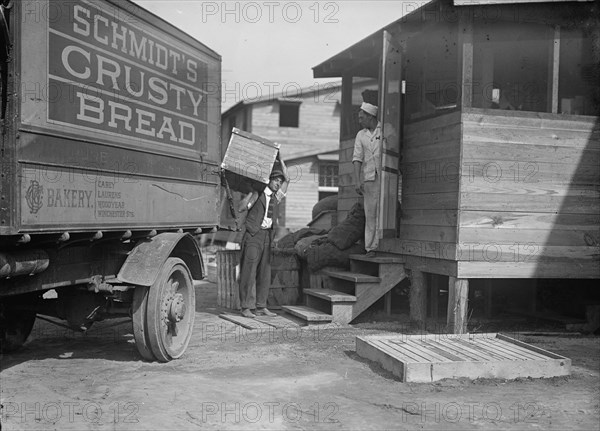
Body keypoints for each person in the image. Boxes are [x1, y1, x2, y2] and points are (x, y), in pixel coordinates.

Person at [237, 156, 289, 318]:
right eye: (276, 180)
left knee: (265, 273)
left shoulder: (276, 197)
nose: (278, 183)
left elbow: (288, 181)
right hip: (253, 235)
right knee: (248, 271)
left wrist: (280, 160)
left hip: (267, 237)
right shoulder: (257, 193)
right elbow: (240, 208)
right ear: (269, 181)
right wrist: (252, 194)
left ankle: (261, 306)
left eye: (280, 181)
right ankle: (245, 307)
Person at [352, 102, 381, 258]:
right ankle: (371, 247)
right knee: (370, 212)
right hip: (369, 178)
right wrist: (357, 181)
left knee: (387, 210)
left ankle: (385, 244)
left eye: (362, 117)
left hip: (387, 176)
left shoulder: (385, 130)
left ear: (371, 116)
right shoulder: (361, 135)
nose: (360, 120)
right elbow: (357, 158)